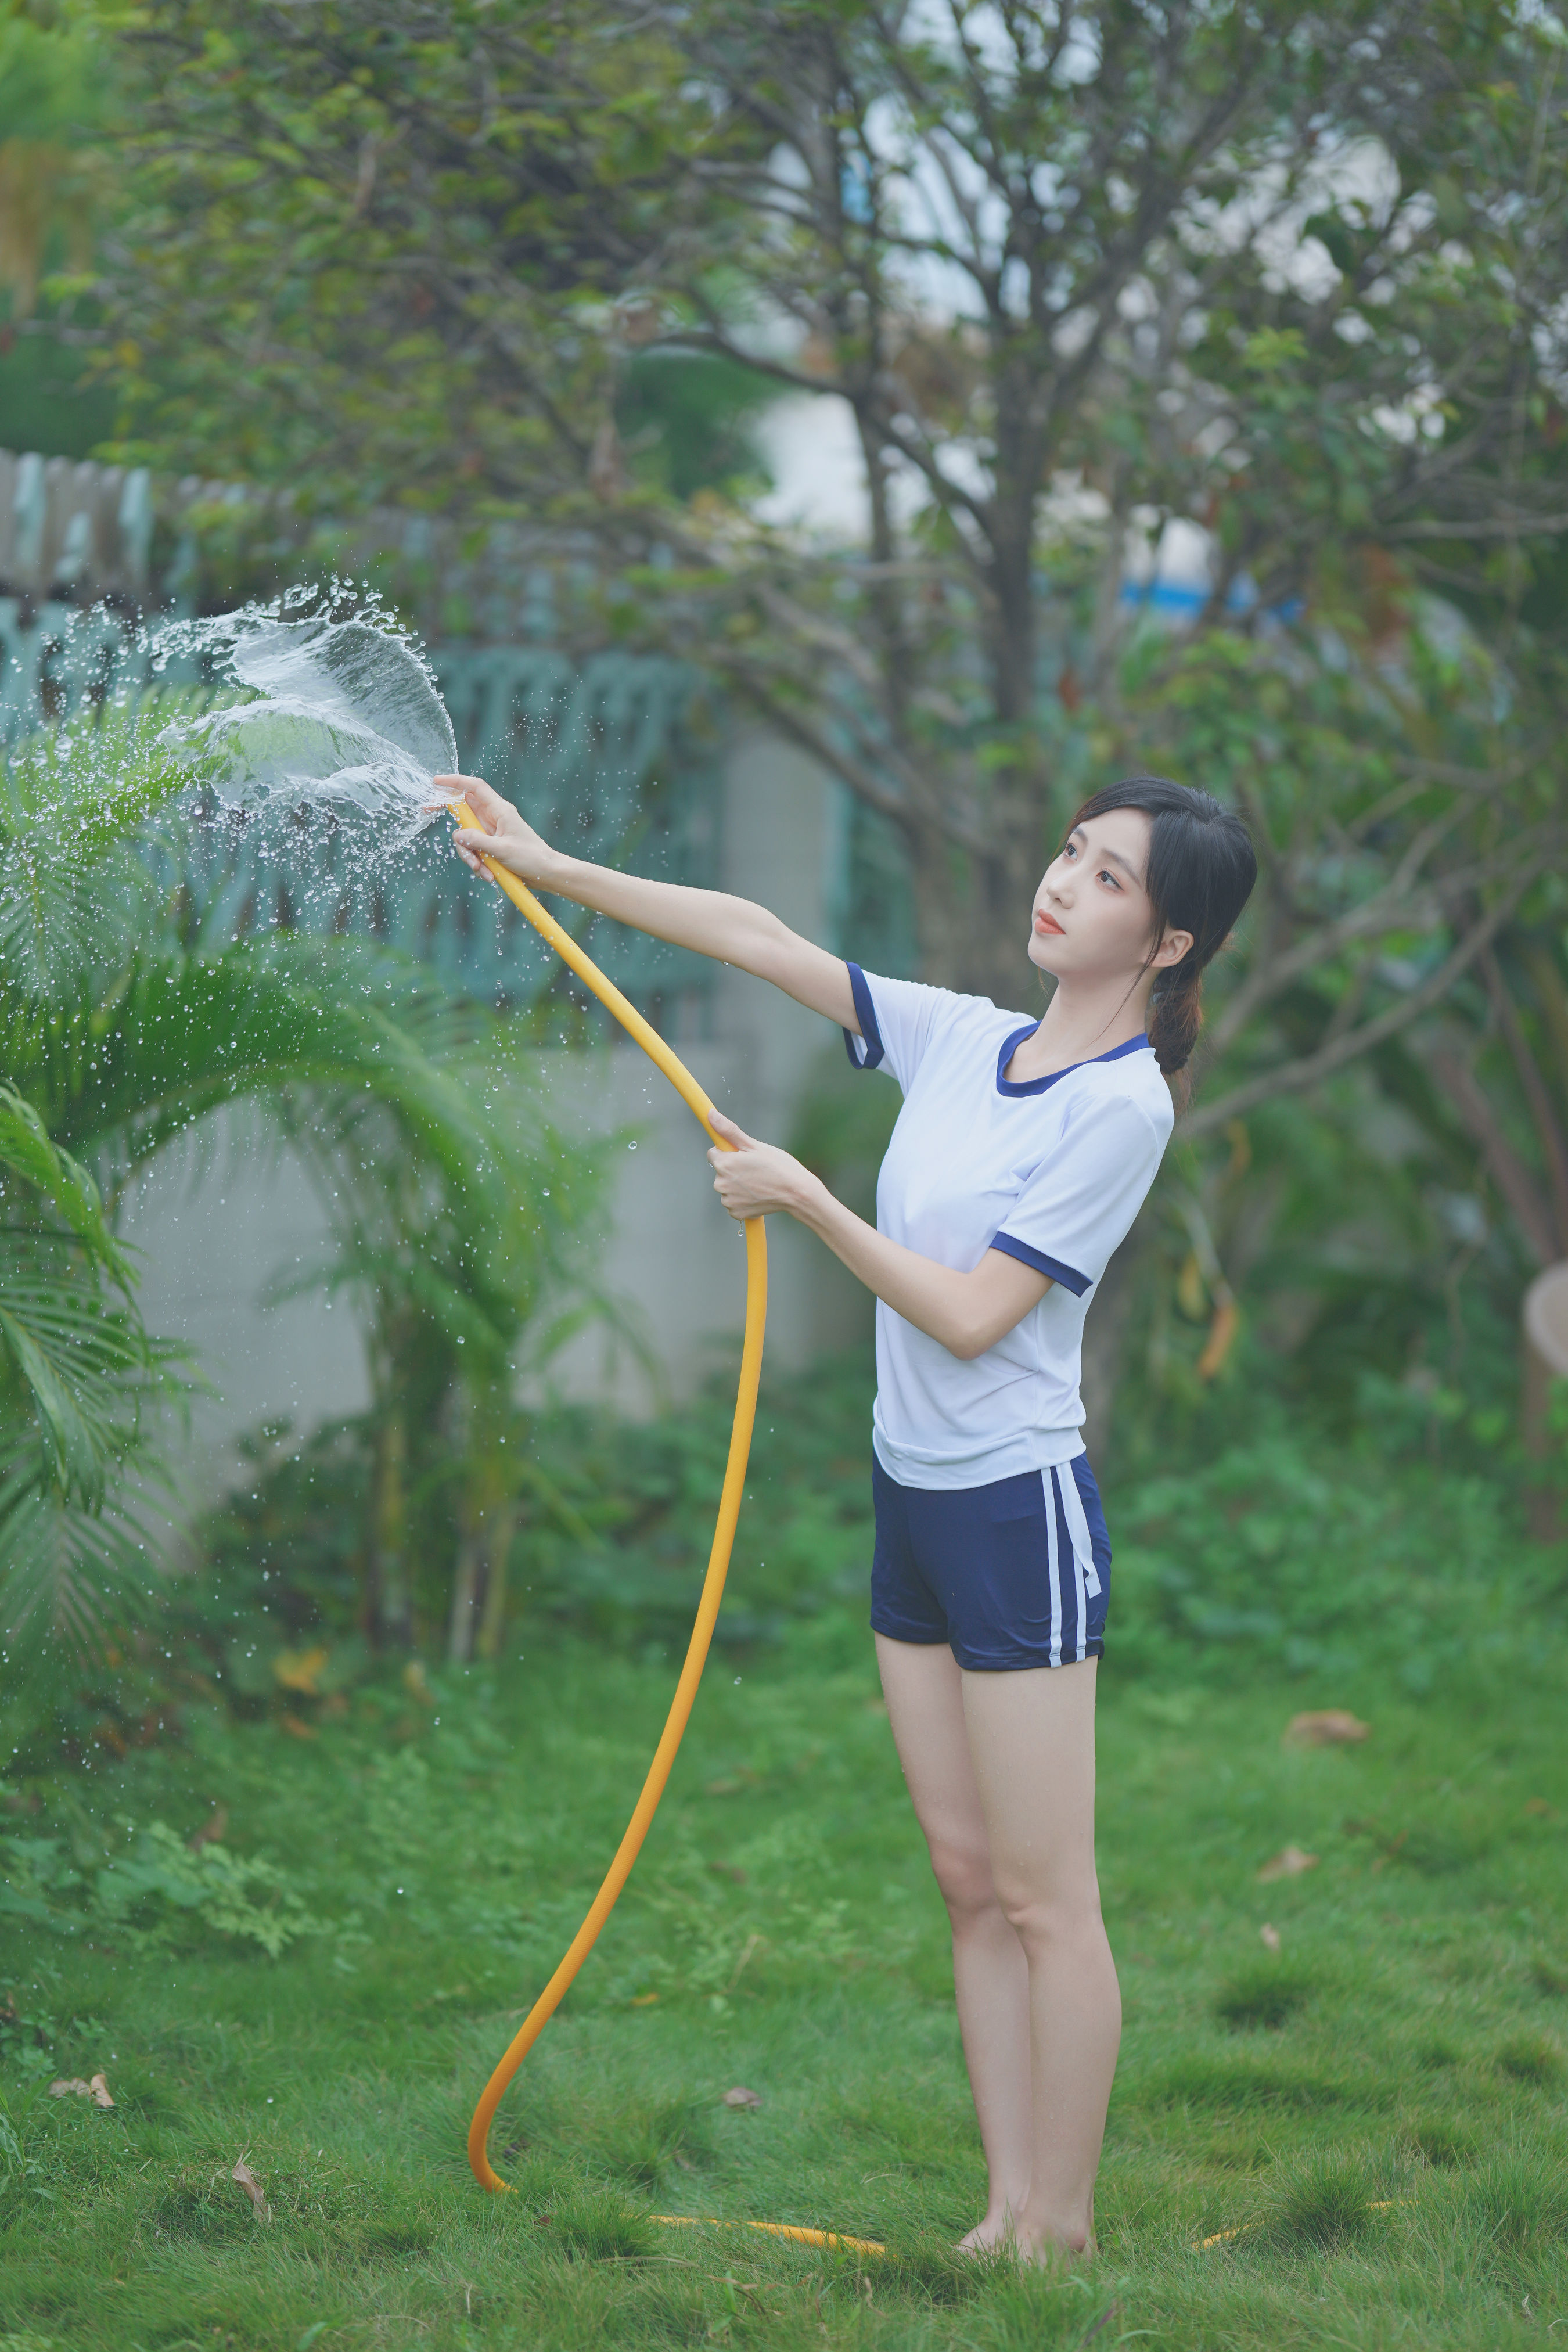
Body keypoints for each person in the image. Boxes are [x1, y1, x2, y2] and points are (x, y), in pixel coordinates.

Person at [441, 769, 1257, 2263]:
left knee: (1044, 1898)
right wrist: (547, 863)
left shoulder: (1120, 1108)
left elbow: (970, 1317)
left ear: (1170, 945)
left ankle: (1060, 2232)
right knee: (964, 1882)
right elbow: (756, 933)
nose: (1062, 881)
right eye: (1069, 851)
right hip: (912, 1499)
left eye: (1109, 878)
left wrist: (811, 1204)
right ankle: (1002, 2212)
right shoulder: (965, 1039)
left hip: (1016, 1515)